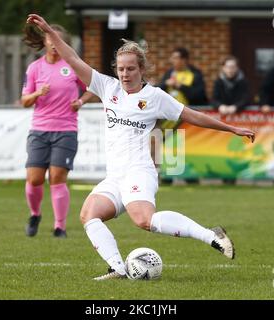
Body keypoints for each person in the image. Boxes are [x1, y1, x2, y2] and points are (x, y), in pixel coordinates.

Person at [27, 14, 255, 279]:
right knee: (89, 214)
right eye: (121, 69)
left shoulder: (155, 97)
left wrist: (231, 128)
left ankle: (211, 235)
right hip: (115, 176)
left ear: (141, 69)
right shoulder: (106, 86)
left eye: (131, 69)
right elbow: (72, 58)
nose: (125, 74)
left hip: (139, 171)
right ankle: (118, 268)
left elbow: (191, 115)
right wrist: (49, 31)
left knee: (144, 220)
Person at [21, 23, 94, 238]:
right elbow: (24, 100)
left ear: (64, 44)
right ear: (44, 42)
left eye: (58, 41)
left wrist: (80, 101)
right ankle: (35, 214)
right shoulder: (34, 68)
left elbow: (93, 89)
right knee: (34, 179)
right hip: (39, 130)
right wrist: (37, 94)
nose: (54, 45)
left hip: (66, 130)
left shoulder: (73, 66)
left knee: (57, 177)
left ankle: (59, 227)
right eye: (50, 40)